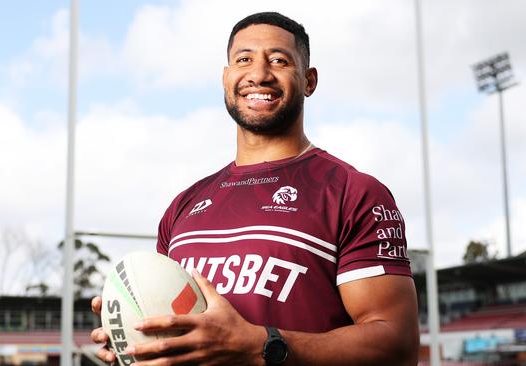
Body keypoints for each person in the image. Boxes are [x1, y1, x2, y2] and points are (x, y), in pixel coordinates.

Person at [91, 11, 419, 365]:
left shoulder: (353, 192)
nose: (259, 74)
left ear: (309, 81)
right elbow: (179, 329)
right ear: (226, 77)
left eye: (278, 60)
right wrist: (136, 336)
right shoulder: (184, 206)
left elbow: (397, 346)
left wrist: (261, 346)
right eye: (243, 59)